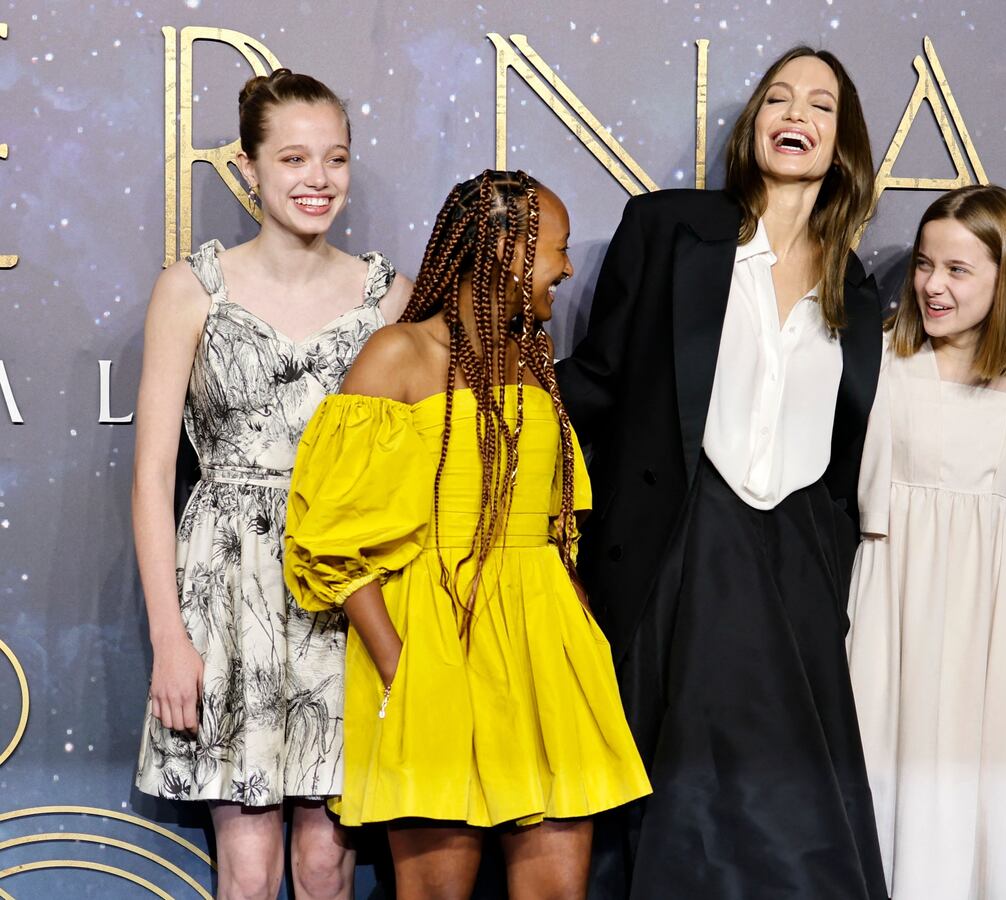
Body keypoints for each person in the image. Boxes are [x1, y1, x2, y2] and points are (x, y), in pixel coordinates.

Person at [557, 45, 887, 900]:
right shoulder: (669, 229)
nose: (797, 115)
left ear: (842, 142)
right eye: (779, 99)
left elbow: (850, 447)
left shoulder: (857, 286)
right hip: (680, 548)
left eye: (821, 105)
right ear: (753, 127)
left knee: (792, 814)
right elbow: (594, 384)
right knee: (668, 804)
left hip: (798, 566)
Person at [282, 171, 650, 900]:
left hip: (544, 646)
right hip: (432, 640)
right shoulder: (398, 355)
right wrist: (400, 664)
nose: (568, 270)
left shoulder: (534, 361)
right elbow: (330, 535)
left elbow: (555, 518)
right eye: (557, 250)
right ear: (507, 250)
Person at [131, 68, 409, 900]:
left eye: (336, 158)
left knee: (328, 867)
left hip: (346, 594)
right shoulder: (191, 290)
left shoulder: (386, 299)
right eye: (293, 158)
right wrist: (169, 639)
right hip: (227, 596)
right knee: (246, 875)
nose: (318, 179)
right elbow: (151, 475)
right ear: (248, 168)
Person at [845, 184, 1006, 900]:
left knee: (969, 797)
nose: (932, 285)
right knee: (881, 781)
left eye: (958, 270)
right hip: (886, 609)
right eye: (926, 264)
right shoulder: (875, 361)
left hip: (983, 624)